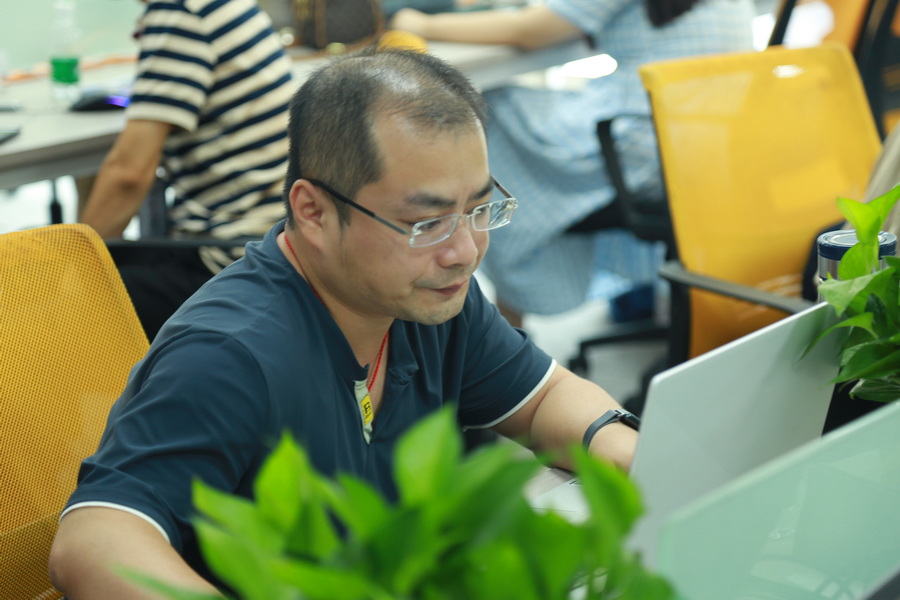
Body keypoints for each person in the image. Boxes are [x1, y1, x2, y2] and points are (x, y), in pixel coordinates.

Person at [49, 47, 639, 598]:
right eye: (426, 223)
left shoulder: (428, 296)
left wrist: (635, 461)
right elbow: (93, 543)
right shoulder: (228, 354)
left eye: (479, 208)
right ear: (313, 212)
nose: (465, 251)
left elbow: (543, 398)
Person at [391, 0, 756, 325]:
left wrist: (419, 23)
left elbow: (528, 31)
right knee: (517, 115)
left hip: (641, 151)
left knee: (491, 112)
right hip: (701, 153)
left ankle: (504, 326)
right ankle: (508, 322)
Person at [79, 0, 295, 339]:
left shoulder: (181, 12)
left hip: (231, 261)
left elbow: (128, 177)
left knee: (50, 299)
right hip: (276, 241)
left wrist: (68, 269)